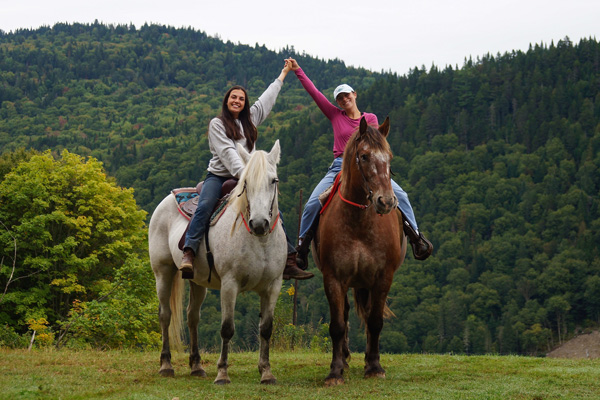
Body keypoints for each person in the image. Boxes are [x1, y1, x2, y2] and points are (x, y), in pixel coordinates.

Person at [287, 58, 433, 267]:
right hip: (340, 167)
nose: (344, 99)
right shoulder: (335, 115)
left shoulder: (371, 119)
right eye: (340, 98)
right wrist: (298, 70)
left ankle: (416, 238)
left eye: (347, 95)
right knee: (312, 203)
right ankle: (301, 249)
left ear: (354, 95)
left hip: (368, 167)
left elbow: (375, 148)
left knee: (401, 195)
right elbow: (315, 93)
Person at [181, 60, 314, 281]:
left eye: (241, 99)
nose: (237, 101)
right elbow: (228, 154)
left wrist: (283, 75)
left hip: (247, 178)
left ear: (245, 103)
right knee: (204, 206)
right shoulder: (217, 124)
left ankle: (289, 260)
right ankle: (189, 252)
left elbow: (266, 100)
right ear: (227, 100)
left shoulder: (250, 120)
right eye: (233, 97)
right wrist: (249, 176)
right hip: (220, 176)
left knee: (270, 207)